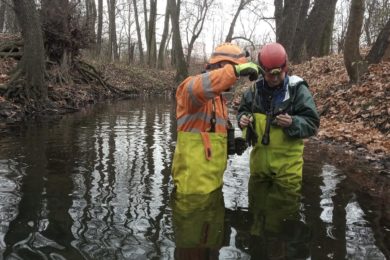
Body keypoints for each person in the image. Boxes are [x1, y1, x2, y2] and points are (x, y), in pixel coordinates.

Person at [171, 42, 260, 194]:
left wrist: (230, 145)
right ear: (220, 65)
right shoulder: (191, 88)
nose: (236, 79)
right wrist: (235, 71)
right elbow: (198, 87)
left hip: (214, 188)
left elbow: (209, 143)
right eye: (233, 67)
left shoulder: (219, 101)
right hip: (191, 193)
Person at [237, 42, 320, 190]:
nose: (275, 78)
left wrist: (293, 122)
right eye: (270, 74)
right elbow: (242, 112)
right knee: (257, 210)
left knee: (284, 210)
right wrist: (243, 119)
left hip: (287, 173)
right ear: (262, 71)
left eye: (278, 74)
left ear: (285, 68)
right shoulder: (253, 91)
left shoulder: (297, 90)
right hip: (258, 170)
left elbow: (312, 124)